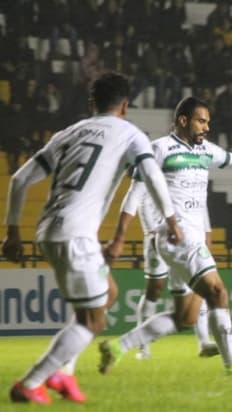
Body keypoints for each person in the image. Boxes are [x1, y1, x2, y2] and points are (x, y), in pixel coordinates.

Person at [98, 97, 232, 376]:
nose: (206, 127)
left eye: (208, 122)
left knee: (186, 317)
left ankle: (118, 346)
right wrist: (119, 237)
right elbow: (135, 194)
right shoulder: (160, 149)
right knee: (217, 292)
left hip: (189, 238)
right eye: (201, 121)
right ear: (183, 120)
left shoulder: (206, 151)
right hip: (174, 235)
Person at [2, 72, 182, 404]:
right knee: (93, 319)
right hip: (75, 236)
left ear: (91, 103)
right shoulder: (130, 134)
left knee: (109, 293)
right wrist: (172, 220)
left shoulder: (68, 133)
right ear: (125, 106)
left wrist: (12, 232)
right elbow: (152, 175)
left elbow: (18, 179)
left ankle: (63, 374)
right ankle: (30, 383)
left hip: (48, 231)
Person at [128, 169, 220, 361]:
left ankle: (204, 342)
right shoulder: (151, 180)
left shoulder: (192, 182)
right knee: (154, 289)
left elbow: (203, 215)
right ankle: (143, 347)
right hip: (157, 238)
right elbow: (143, 205)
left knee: (197, 288)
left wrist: (207, 240)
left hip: (188, 239)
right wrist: (151, 233)